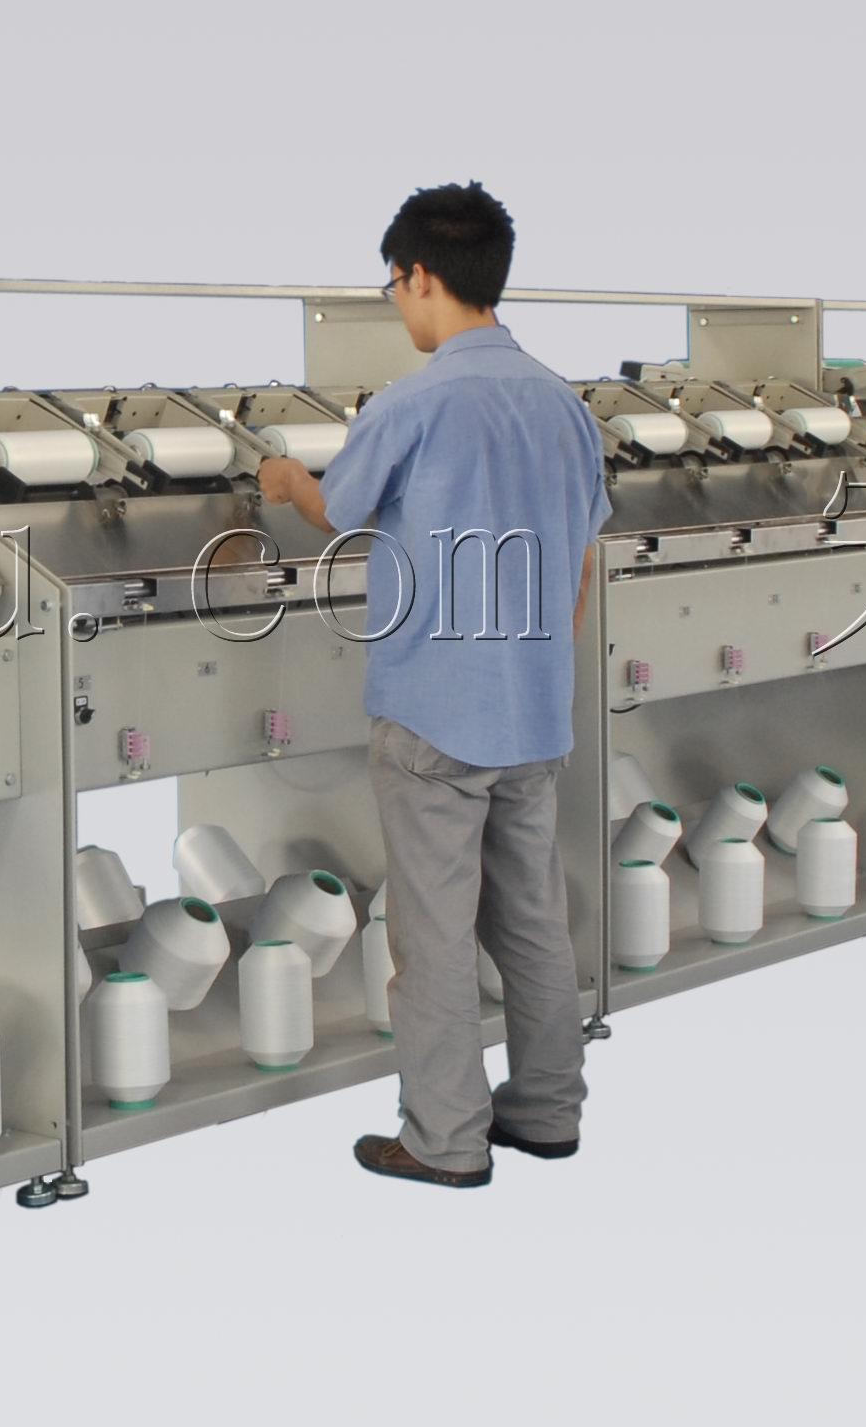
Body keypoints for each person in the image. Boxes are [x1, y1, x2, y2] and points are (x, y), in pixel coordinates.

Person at [254, 183, 609, 1188]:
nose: (397, 304)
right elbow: (583, 555)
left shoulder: (413, 403)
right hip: (534, 714)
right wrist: (537, 663)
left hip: (434, 719)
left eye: (392, 285)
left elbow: (340, 511)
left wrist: (282, 479)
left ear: (417, 276)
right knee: (532, 924)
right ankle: (546, 1112)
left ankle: (445, 1140)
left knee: (435, 937)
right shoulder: (564, 406)